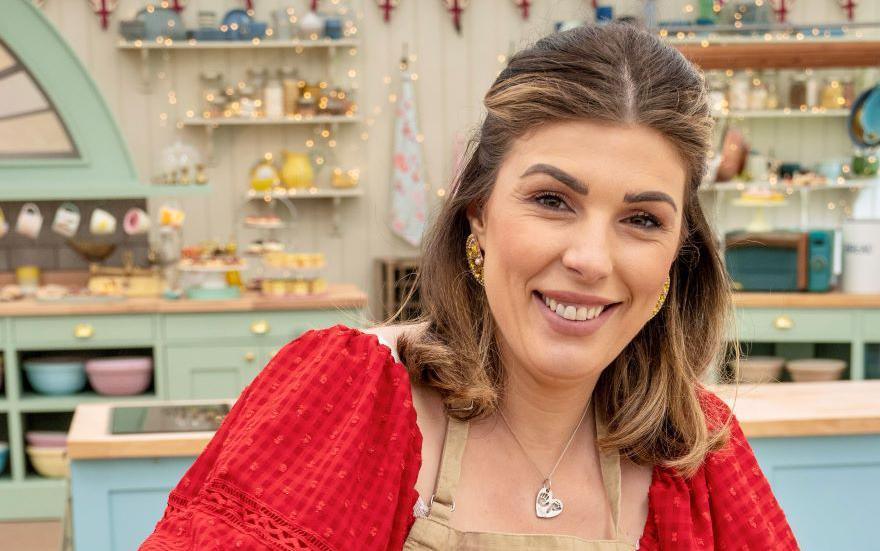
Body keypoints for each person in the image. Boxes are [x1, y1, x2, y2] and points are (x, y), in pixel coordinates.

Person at [142, 23, 798, 550]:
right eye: (552, 200)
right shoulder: (348, 401)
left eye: (641, 219)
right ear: (477, 213)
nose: (590, 258)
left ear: (676, 256)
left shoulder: (697, 454)